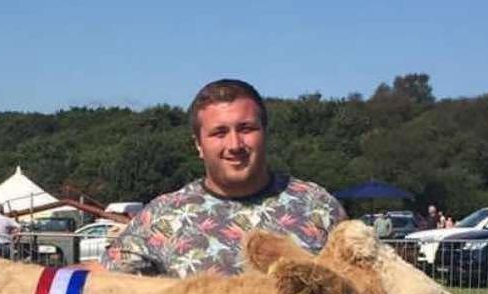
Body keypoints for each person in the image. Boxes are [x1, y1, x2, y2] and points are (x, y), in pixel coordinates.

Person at [100, 78, 346, 277]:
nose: (235, 144)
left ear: (265, 133)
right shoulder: (160, 217)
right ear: (198, 145)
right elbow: (104, 283)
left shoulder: (319, 207)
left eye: (246, 129)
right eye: (219, 133)